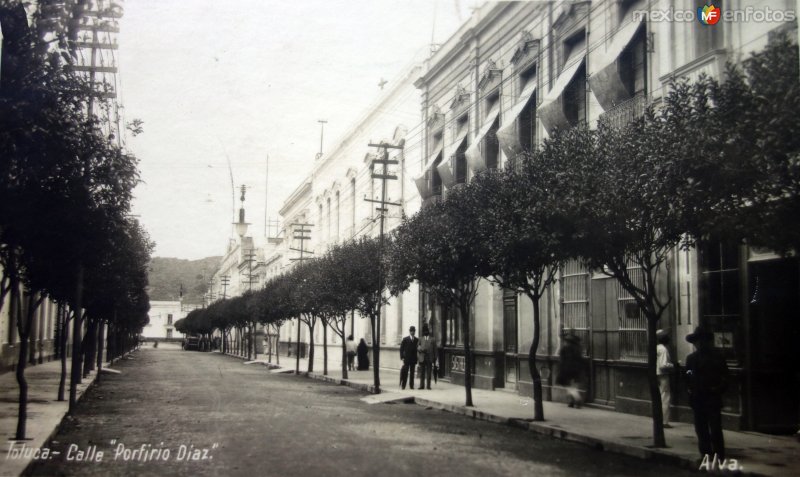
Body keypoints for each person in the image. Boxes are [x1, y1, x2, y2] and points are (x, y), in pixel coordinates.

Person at [685, 326, 729, 460]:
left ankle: (718, 454)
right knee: (701, 428)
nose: (698, 344)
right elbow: (688, 374)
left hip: (712, 397)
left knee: (715, 428)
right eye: (697, 341)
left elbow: (725, 376)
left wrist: (718, 389)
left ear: (706, 341)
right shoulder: (691, 358)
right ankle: (706, 453)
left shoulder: (718, 357)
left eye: (700, 341)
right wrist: (690, 387)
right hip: (698, 397)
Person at [557, 330, 584, 408]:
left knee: (568, 385)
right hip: (577, 369)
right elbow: (580, 359)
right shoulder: (578, 349)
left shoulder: (564, 349)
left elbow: (561, 360)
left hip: (566, 370)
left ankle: (577, 399)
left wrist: (560, 369)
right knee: (574, 385)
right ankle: (571, 401)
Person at [656, 329, 675, 428]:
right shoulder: (663, 349)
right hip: (663, 375)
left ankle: (660, 420)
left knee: (660, 398)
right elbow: (663, 365)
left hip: (657, 375)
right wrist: (673, 365)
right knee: (665, 398)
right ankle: (664, 421)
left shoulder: (655, 348)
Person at [417, 324, 437, 390]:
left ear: (428, 332)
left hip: (429, 358)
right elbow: (417, 347)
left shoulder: (432, 339)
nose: (425, 332)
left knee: (429, 372)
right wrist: (420, 349)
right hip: (422, 357)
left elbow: (435, 350)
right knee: (422, 372)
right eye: (424, 331)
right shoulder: (420, 339)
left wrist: (435, 358)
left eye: (426, 331)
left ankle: (428, 386)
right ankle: (421, 385)